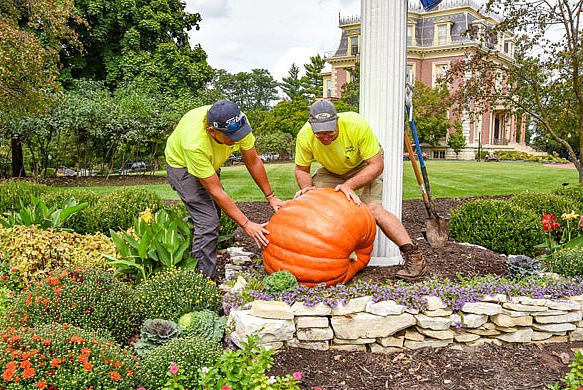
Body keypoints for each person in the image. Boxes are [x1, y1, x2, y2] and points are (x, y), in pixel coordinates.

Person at [294, 99, 426, 280]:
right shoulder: (304, 136)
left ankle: (414, 257)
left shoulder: (356, 125)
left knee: (372, 209)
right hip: (332, 169)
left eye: (330, 132)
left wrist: (349, 185)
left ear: (337, 120)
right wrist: (307, 190)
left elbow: (376, 165)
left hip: (364, 165)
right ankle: (313, 258)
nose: (325, 137)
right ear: (311, 125)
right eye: (320, 134)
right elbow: (301, 169)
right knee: (311, 206)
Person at [165, 99, 284, 281]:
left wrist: (271, 197)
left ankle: (185, 237)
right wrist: (246, 224)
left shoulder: (238, 124)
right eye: (231, 137)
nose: (237, 139)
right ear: (212, 132)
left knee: (211, 215)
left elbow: (252, 161)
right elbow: (216, 191)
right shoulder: (195, 143)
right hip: (181, 166)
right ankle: (203, 284)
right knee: (208, 223)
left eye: (239, 134)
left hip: (210, 162)